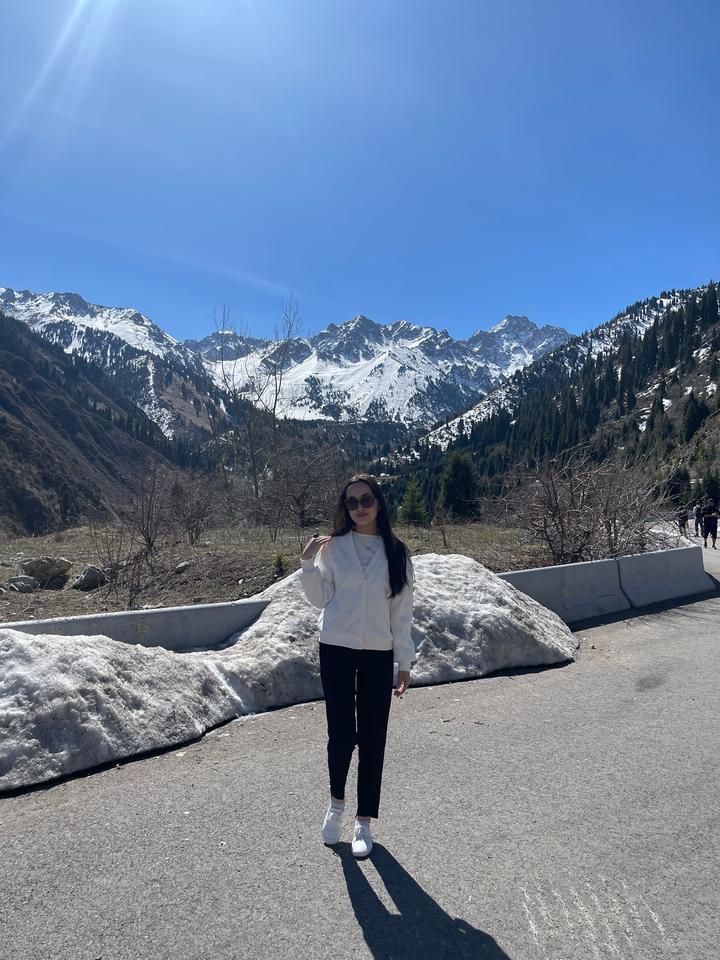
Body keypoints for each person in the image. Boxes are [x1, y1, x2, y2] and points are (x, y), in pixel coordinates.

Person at [300, 473, 415, 859]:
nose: (360, 507)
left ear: (378, 502)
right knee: (340, 733)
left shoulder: (396, 552)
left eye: (367, 499)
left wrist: (404, 662)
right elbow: (319, 599)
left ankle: (363, 820)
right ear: (345, 508)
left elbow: (402, 612)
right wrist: (307, 563)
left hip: (378, 653)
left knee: (373, 736)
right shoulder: (333, 548)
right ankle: (336, 805)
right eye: (352, 502)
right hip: (335, 648)